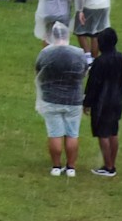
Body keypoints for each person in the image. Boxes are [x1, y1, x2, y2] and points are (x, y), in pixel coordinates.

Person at [35, 22, 87, 177]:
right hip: (73, 100)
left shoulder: (46, 53)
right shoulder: (78, 53)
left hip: (51, 99)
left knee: (54, 133)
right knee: (72, 134)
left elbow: (38, 70)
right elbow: (84, 71)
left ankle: (56, 166)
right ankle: (71, 167)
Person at [82, 27, 122, 177]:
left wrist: (87, 102)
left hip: (102, 102)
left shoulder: (100, 62)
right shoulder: (121, 58)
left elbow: (93, 84)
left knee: (103, 133)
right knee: (113, 132)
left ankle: (108, 167)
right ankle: (112, 164)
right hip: (116, 99)